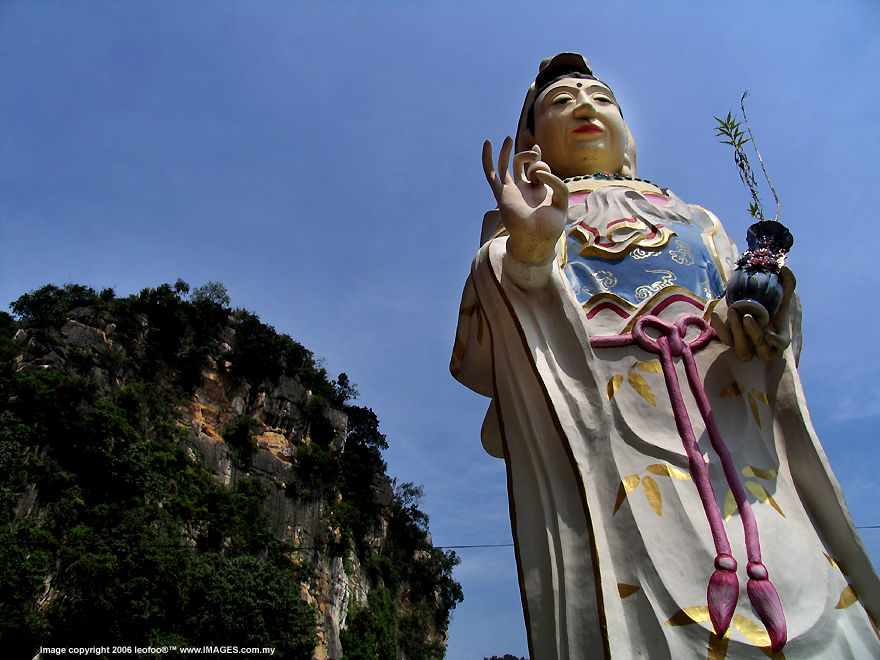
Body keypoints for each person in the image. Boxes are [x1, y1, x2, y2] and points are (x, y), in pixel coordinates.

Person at [451, 53, 880, 659]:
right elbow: (489, 342)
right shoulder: (530, 213)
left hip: (727, 415)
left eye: (601, 98)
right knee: (628, 583)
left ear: (627, 133)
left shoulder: (695, 217)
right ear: (533, 143)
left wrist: (764, 309)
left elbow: (747, 310)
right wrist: (523, 248)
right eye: (560, 101)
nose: (583, 106)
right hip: (607, 424)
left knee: (792, 567)